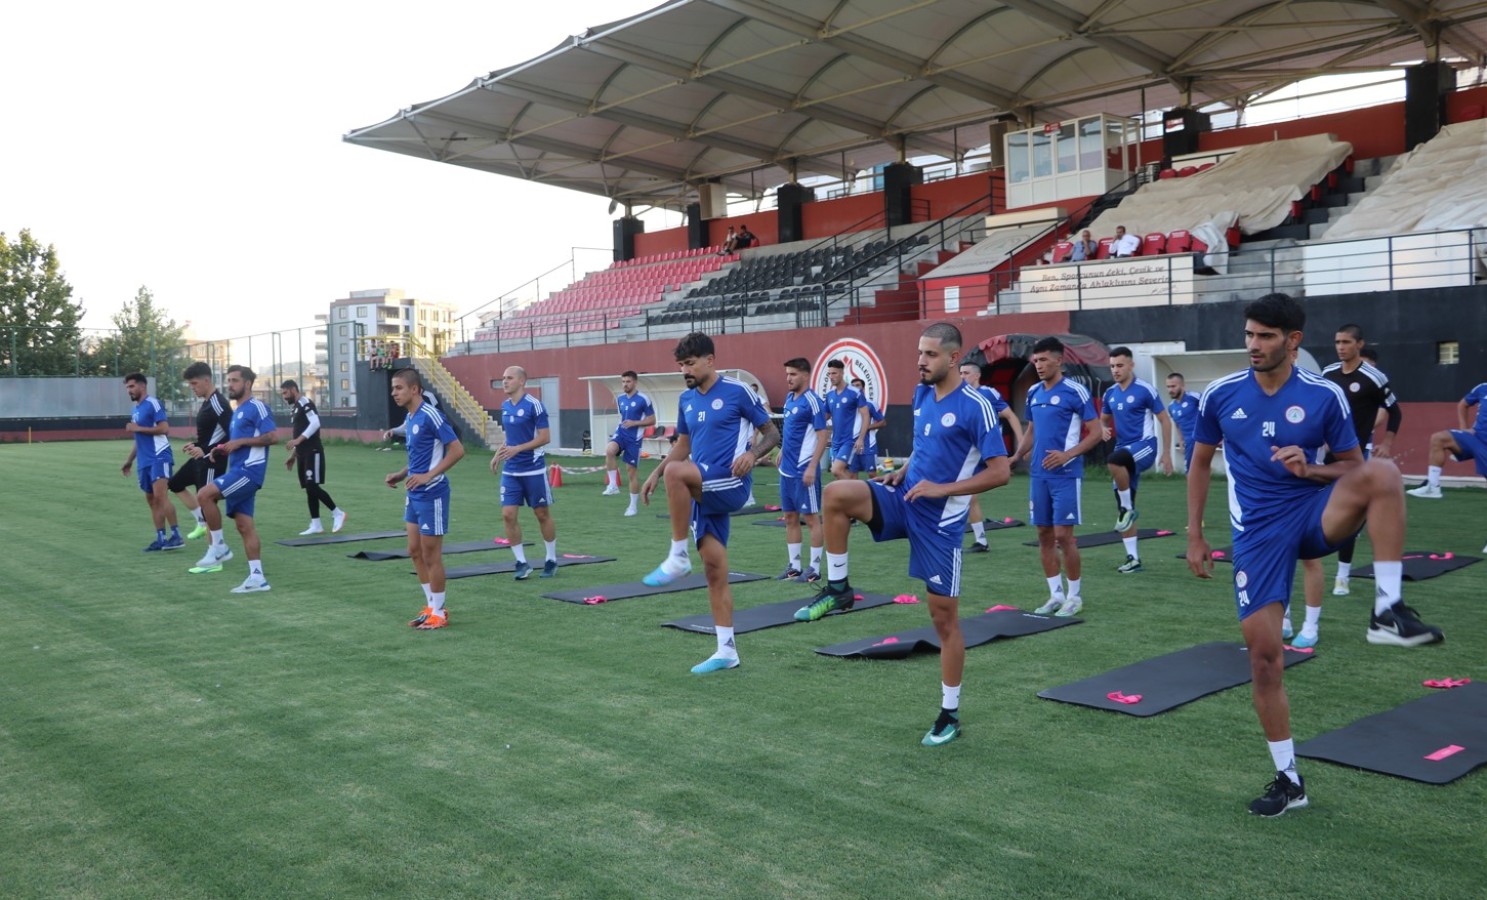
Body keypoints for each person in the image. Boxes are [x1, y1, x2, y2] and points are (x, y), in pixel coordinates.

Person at [1186, 293, 1442, 818]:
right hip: (1255, 534)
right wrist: (1194, 534)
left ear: (1293, 341)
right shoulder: (1220, 394)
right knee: (1264, 660)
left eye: (1265, 337)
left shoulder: (1325, 397)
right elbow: (1199, 463)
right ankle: (1289, 779)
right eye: (1249, 334)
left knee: (1384, 473)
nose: (1253, 345)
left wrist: (1309, 469)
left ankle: (1387, 608)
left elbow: (1351, 467)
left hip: (1311, 513)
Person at [812, 323, 1011, 746]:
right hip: (904, 499)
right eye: (920, 353)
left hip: (940, 526)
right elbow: (924, 446)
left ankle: (950, 713)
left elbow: (1001, 471)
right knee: (835, 494)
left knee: (944, 621)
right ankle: (838, 587)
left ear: (954, 358)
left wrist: (943, 488)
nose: (921, 361)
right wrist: (903, 471)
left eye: (931, 355)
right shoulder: (922, 392)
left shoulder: (978, 405)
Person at [640, 332, 779, 675]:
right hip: (703, 486)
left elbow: (774, 432)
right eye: (681, 364)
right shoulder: (687, 400)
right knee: (715, 571)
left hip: (731, 482)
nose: (684, 370)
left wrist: (752, 453)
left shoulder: (737, 391)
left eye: (689, 363)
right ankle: (726, 651)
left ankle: (677, 556)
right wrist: (656, 473)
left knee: (677, 473)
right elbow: (682, 445)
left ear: (710, 360)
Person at [1010, 337, 1102, 616]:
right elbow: (1032, 430)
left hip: (1066, 475)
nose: (1038, 365)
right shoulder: (1034, 392)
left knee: (1064, 536)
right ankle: (1055, 595)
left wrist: (1068, 455)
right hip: (1038, 475)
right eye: (1035, 361)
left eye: (1043, 360)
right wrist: (1015, 456)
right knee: (1043, 534)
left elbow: (1097, 433)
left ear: (1059, 360)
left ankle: (1074, 597)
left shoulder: (1076, 392)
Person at [1318, 324, 1400, 601]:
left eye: (1346, 342)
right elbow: (1318, 410)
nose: (1340, 347)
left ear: (1359, 344)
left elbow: (1395, 412)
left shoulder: (1373, 378)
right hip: (1327, 456)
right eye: (1337, 342)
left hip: (1356, 457)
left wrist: (1386, 443)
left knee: (1349, 519)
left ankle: (1342, 576)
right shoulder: (1327, 374)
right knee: (1310, 510)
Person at [385, 368, 465, 629]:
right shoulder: (411, 418)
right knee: (414, 551)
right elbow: (417, 458)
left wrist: (428, 476)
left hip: (433, 494)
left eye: (398, 388)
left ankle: (439, 613)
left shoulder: (431, 415)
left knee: (432, 555)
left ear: (415, 389)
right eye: (393, 388)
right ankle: (431, 605)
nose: (394, 392)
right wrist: (400, 474)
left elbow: (457, 450)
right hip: (413, 493)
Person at [189, 365, 279, 593]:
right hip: (238, 469)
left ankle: (218, 547)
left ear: (247, 383)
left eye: (235, 381)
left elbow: (272, 437)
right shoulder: (237, 411)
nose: (230, 385)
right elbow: (240, 443)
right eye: (228, 380)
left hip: (249, 472)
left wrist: (239, 443)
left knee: (204, 495)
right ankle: (257, 578)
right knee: (244, 526)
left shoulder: (257, 407)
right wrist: (221, 450)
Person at [1100, 347, 1174, 574]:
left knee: (1114, 460)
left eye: (1120, 365)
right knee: (1124, 506)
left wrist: (1167, 453)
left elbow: (1164, 419)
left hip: (1145, 447)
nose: (1115, 370)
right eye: (1112, 366)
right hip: (1124, 452)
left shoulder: (1145, 390)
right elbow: (1102, 419)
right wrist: (1102, 428)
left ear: (1131, 365)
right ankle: (1133, 558)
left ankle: (1126, 508)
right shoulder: (1110, 393)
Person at [491, 365, 559, 579]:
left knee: (541, 514)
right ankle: (521, 562)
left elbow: (545, 437)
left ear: (522, 381)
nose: (504, 381)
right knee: (507, 515)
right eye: (503, 378)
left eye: (509, 378)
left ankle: (551, 559)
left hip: (533, 469)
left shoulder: (535, 406)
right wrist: (498, 453)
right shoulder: (504, 405)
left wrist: (518, 449)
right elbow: (511, 437)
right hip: (511, 471)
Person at [958, 362, 1025, 552]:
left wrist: (1021, 442)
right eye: (960, 373)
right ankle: (980, 540)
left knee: (967, 496)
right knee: (966, 496)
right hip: (968, 454)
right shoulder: (959, 396)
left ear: (977, 376)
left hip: (986, 453)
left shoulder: (988, 393)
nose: (962, 376)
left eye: (966, 373)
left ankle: (981, 541)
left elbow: (1010, 416)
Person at [777, 358, 831, 582]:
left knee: (811, 519)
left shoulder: (813, 402)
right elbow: (791, 431)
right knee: (790, 517)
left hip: (803, 470)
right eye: (787, 374)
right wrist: (781, 449)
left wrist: (812, 466)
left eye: (793, 374)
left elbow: (822, 436)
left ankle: (815, 570)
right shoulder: (789, 399)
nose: (788, 378)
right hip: (786, 470)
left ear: (806, 376)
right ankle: (794, 566)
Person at [170, 362, 232, 541]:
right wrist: (196, 445)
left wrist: (206, 450)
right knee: (175, 484)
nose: (192, 388)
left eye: (194, 383)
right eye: (190, 384)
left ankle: (215, 554)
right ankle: (201, 523)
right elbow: (211, 435)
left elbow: (233, 435)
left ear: (206, 380)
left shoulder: (218, 403)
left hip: (212, 461)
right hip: (201, 458)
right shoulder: (206, 403)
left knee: (208, 503)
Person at [121, 372, 183, 552]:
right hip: (144, 460)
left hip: (159, 456)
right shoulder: (136, 410)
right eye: (127, 387)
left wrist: (137, 428)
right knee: (152, 500)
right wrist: (129, 461)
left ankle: (176, 536)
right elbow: (139, 438)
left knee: (161, 496)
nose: (129, 391)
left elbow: (164, 428)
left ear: (142, 386)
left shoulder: (153, 403)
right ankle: (161, 538)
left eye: (131, 386)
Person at [1406, 380, 1485, 512]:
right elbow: (1463, 405)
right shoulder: (1482, 388)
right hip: (1474, 438)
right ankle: (1433, 487)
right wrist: (1464, 428)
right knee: (1438, 438)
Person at [281, 380, 347, 536]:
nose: (284, 397)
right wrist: (293, 455)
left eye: (285, 393)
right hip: (302, 453)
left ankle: (337, 513)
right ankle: (316, 524)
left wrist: (297, 441)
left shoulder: (305, 402)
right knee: (309, 489)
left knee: (312, 486)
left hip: (313, 451)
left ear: (293, 389)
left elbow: (315, 423)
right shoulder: (295, 408)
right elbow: (299, 431)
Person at [601, 370, 656, 516]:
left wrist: (635, 423)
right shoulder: (620, 399)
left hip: (634, 439)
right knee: (609, 450)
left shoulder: (643, 399)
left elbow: (652, 420)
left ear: (635, 382)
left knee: (631, 473)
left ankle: (632, 506)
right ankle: (613, 485)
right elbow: (622, 417)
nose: (625, 384)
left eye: (628, 381)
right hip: (622, 433)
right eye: (623, 382)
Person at [824, 359, 870, 480]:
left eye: (834, 373)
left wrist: (860, 438)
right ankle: (854, 497)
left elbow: (866, 415)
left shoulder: (855, 392)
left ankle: (861, 492)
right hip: (835, 441)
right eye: (829, 373)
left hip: (849, 440)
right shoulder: (830, 395)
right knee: (840, 476)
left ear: (841, 373)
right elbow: (826, 416)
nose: (831, 376)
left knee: (836, 470)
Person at [848, 377, 887, 478]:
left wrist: (867, 427)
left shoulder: (871, 404)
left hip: (868, 444)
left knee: (872, 474)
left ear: (863, 388)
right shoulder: (848, 405)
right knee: (852, 475)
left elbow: (882, 422)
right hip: (852, 445)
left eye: (858, 386)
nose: (856, 388)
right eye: (853, 387)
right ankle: (856, 494)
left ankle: (877, 493)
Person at [1165, 373, 1201, 474]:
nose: (1170, 390)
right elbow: (1177, 424)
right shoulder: (1171, 407)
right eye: (1168, 387)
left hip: (1201, 439)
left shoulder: (1194, 397)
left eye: (1173, 386)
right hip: (1188, 442)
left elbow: (1211, 409)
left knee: (1194, 470)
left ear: (1182, 385)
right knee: (1190, 470)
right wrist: (1181, 440)